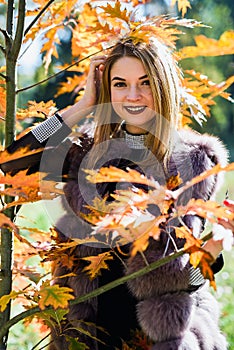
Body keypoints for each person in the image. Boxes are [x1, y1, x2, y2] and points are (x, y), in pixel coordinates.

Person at [0, 38, 231, 350]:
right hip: (87, 338)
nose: (133, 96)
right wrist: (82, 106)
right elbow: (11, 165)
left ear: (162, 86)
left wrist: (212, 252)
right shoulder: (82, 152)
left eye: (145, 83)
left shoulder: (193, 160)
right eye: (120, 84)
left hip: (159, 340)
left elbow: (187, 281)